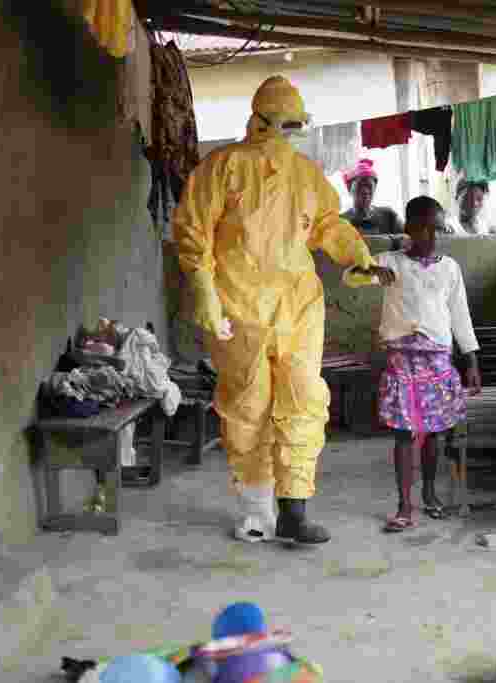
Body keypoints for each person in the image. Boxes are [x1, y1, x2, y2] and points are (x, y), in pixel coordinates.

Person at [173, 76, 394, 546]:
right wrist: (206, 295)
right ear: (260, 119)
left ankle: (295, 508)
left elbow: (329, 225)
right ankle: (257, 511)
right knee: (248, 406)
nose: (291, 134)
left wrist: (358, 256)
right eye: (285, 125)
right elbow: (193, 234)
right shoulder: (222, 167)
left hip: (297, 304)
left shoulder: (305, 173)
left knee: (304, 399)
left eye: (297, 126)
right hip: (239, 303)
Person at [345, 196, 482, 532]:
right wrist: (369, 268)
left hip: (437, 358)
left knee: (433, 432)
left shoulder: (449, 268)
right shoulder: (390, 262)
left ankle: (430, 495)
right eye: (425, 229)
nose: (432, 236)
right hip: (401, 358)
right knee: (404, 434)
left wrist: (472, 360)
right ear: (410, 228)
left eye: (438, 229)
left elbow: (460, 316)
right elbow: (350, 277)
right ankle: (404, 506)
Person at [340, 159, 409, 249]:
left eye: (369, 186)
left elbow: (408, 240)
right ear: (349, 188)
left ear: (375, 188)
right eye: (360, 185)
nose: (365, 190)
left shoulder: (389, 216)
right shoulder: (341, 221)